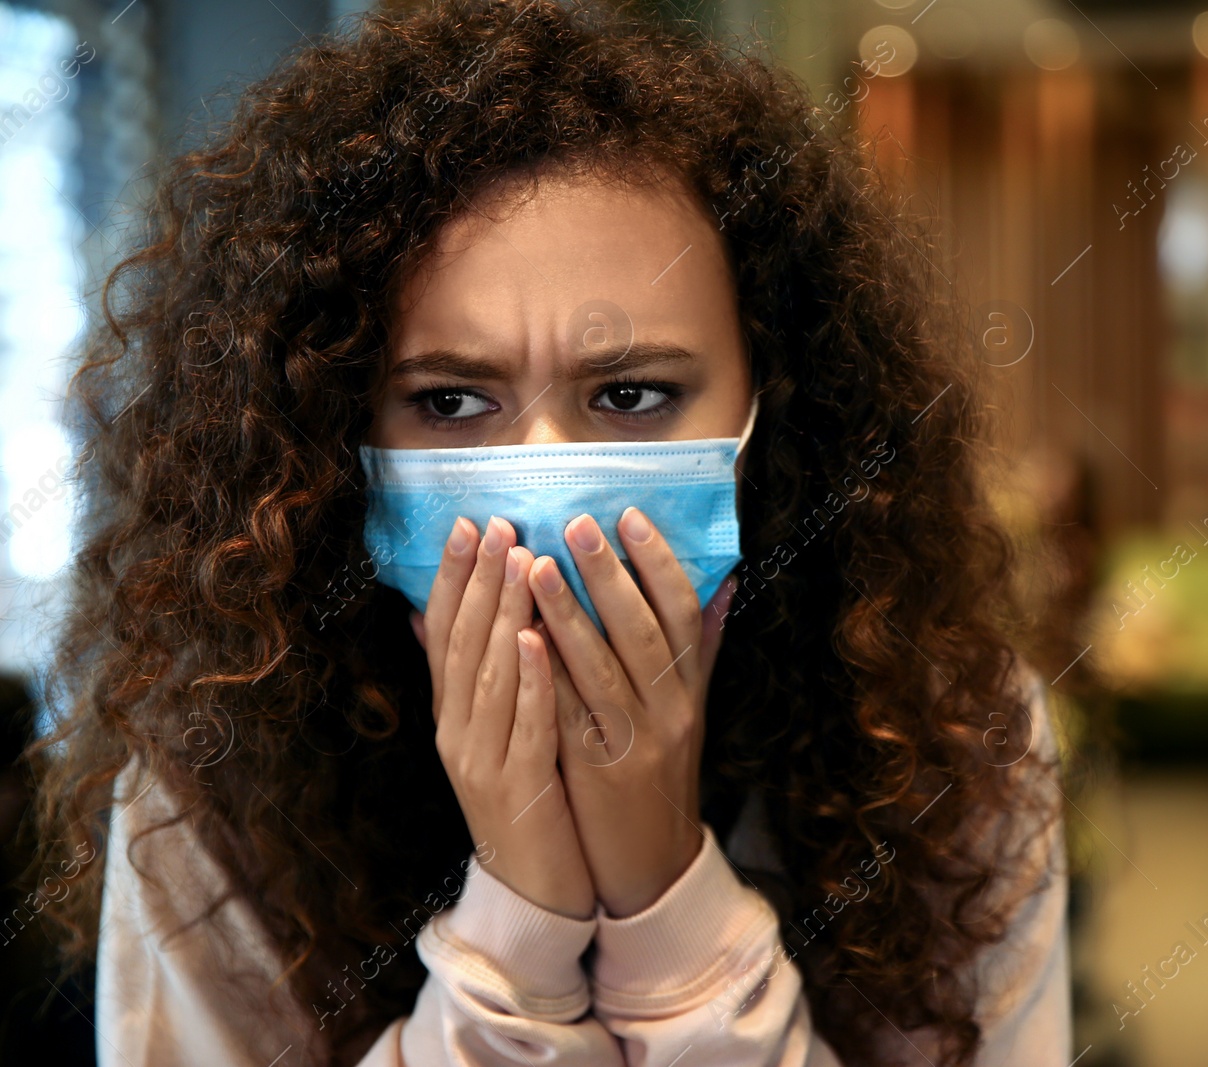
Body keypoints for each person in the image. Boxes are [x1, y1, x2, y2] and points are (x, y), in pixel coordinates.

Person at [27, 2, 1071, 1065]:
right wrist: (519, 923)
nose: (547, 494)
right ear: (334, 432)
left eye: (628, 393)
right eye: (448, 402)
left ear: (775, 406)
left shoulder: (949, 733)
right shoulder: (218, 757)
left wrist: (665, 892)